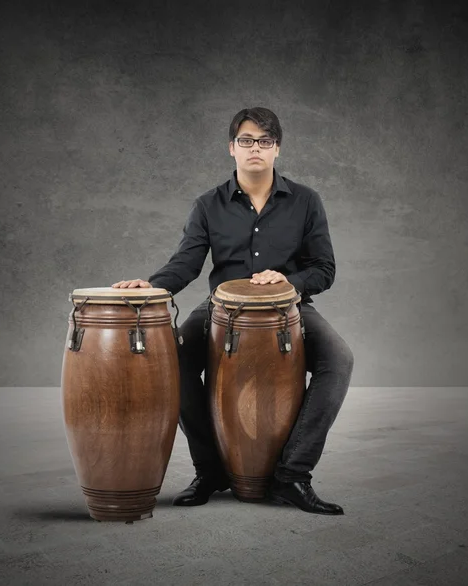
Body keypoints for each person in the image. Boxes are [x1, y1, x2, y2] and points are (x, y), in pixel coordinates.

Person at [112, 107, 354, 515]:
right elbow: (186, 262)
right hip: (219, 308)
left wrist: (289, 282)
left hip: (289, 307)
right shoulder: (208, 204)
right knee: (175, 360)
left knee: (339, 360)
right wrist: (152, 285)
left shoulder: (307, 201)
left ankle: (292, 474)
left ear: (277, 148)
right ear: (231, 148)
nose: (255, 148)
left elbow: (324, 269)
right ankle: (210, 470)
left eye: (264, 140)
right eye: (246, 140)